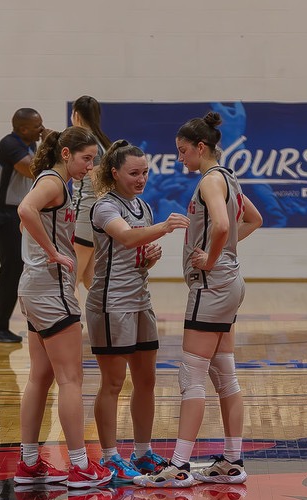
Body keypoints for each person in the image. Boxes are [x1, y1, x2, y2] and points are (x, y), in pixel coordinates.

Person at [134, 112, 263, 488]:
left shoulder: (210, 181)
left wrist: (209, 255)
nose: (180, 159)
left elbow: (223, 225)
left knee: (191, 375)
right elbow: (253, 219)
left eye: (183, 151)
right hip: (230, 281)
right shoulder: (229, 177)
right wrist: (220, 250)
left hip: (212, 285)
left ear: (201, 148)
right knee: (224, 374)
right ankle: (233, 461)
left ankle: (179, 466)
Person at [13, 126, 113, 488]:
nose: (90, 166)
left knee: (40, 378)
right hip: (51, 288)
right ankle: (80, 466)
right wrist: (54, 251)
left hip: (36, 288)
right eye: (87, 159)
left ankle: (28, 464)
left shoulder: (56, 181)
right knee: (71, 379)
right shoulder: (54, 182)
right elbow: (25, 210)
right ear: (67, 153)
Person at [86, 140, 189, 482]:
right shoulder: (104, 207)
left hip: (140, 301)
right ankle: (110, 455)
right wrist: (164, 227)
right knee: (113, 383)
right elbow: (127, 238)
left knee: (147, 380)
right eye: (133, 173)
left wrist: (148, 258)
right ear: (114, 173)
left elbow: (134, 249)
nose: (141, 178)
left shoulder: (143, 205)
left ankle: (142, 451)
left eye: (145, 172)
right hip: (110, 303)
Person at [0, 108, 48, 344]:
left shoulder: (29, 146)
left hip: (14, 216)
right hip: (3, 216)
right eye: (37, 125)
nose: (41, 128)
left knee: (15, 271)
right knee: (11, 271)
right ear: (23, 128)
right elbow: (33, 170)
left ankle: (0, 325)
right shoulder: (9, 144)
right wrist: (49, 145)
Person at [70, 95, 112, 294]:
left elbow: (98, 186)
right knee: (91, 281)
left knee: (71, 280)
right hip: (93, 217)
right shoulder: (100, 142)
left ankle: (72, 325)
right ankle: (105, 323)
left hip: (84, 216)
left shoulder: (86, 143)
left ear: (76, 115)